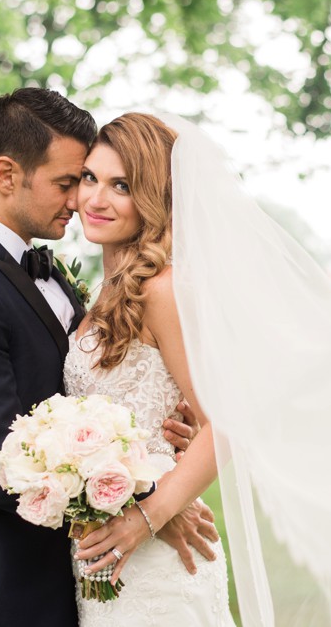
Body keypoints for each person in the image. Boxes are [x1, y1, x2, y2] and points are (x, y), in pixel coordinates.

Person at [0, 89, 211, 627]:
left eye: (108, 182)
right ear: (8, 173)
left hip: (90, 575)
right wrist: (147, 501)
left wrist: (158, 484)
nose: (80, 200)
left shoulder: (59, 274)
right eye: (73, 181)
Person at [64, 113, 234, 626]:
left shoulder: (163, 290)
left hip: (155, 558)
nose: (96, 199)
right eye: (89, 177)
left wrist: (150, 516)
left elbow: (224, 426)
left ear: (154, 199)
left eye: (122, 186)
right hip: (104, 554)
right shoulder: (101, 296)